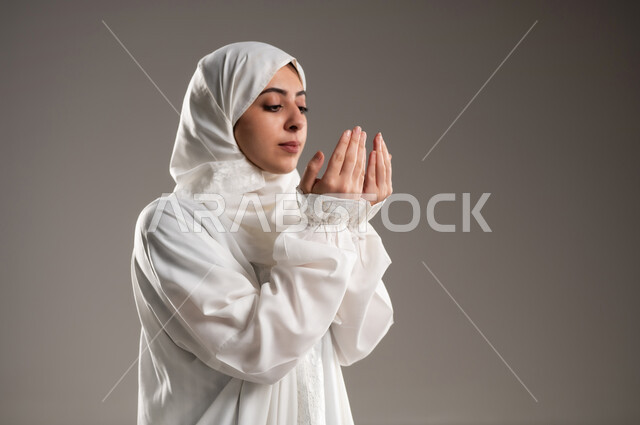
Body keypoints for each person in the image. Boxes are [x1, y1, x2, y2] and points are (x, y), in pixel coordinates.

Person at [130, 41, 394, 425]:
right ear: (220, 113)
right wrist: (324, 228)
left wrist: (347, 226)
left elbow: (356, 337)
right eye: (273, 105)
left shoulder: (302, 211)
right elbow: (259, 351)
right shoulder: (170, 222)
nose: (296, 121)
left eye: (302, 106)